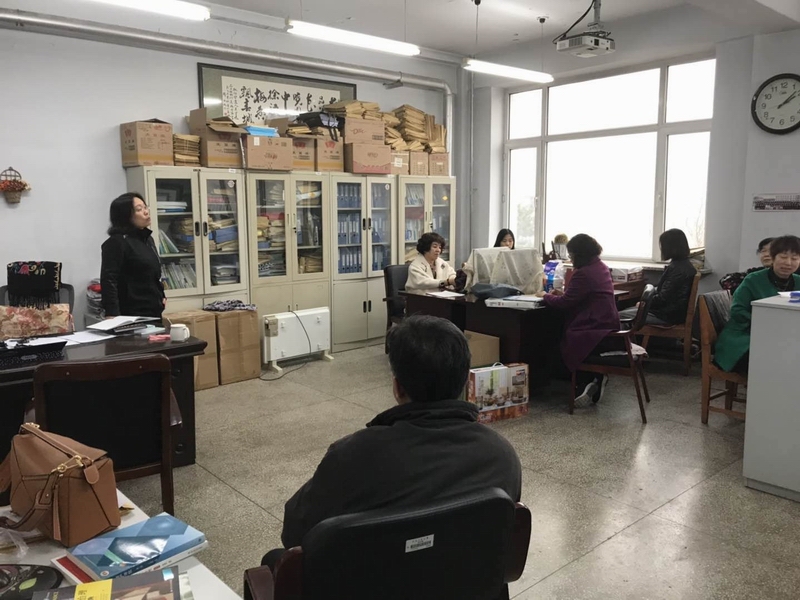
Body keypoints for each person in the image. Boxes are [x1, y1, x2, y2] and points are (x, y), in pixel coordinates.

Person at [263, 315, 522, 571]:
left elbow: (295, 532)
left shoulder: (352, 456)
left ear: (398, 388)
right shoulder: (500, 455)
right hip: (462, 583)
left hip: (367, 585)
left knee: (274, 560)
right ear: (466, 380)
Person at [537, 234, 620, 405]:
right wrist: (562, 294)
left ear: (579, 254)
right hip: (607, 322)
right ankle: (591, 380)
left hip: (594, 327)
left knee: (555, 337)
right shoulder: (601, 267)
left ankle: (584, 381)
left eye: (571, 254)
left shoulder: (583, 273)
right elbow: (580, 296)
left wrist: (545, 295)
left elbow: (565, 303)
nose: (570, 258)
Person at [714, 235, 800, 374]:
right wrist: (764, 323)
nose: (788, 263)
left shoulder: (798, 281)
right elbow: (737, 310)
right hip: (745, 336)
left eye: (794, 258)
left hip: (786, 337)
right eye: (783, 257)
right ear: (773, 257)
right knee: (771, 361)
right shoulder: (753, 279)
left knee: (790, 359)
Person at [101, 192, 166, 318]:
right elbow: (109, 280)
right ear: (126, 216)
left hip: (153, 311)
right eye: (139, 209)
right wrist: (112, 314)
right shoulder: (117, 242)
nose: (146, 212)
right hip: (130, 314)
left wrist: (162, 295)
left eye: (145, 207)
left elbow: (153, 274)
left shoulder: (147, 239)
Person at [619, 228, 697, 326]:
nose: (661, 248)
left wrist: (643, 304)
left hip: (666, 315)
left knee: (618, 316)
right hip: (671, 313)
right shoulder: (683, 265)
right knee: (626, 311)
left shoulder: (678, 269)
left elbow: (663, 298)